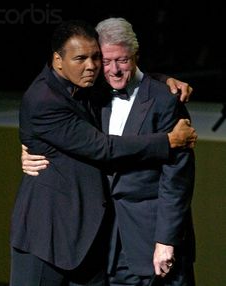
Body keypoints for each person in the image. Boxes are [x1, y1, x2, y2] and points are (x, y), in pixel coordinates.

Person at [11, 20, 196, 286]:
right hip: (64, 236)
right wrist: (167, 141)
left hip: (143, 240)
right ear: (58, 60)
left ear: (136, 57)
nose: (107, 69)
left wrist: (162, 80)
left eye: (120, 60)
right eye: (104, 60)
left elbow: (177, 180)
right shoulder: (62, 96)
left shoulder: (164, 98)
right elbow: (102, 148)